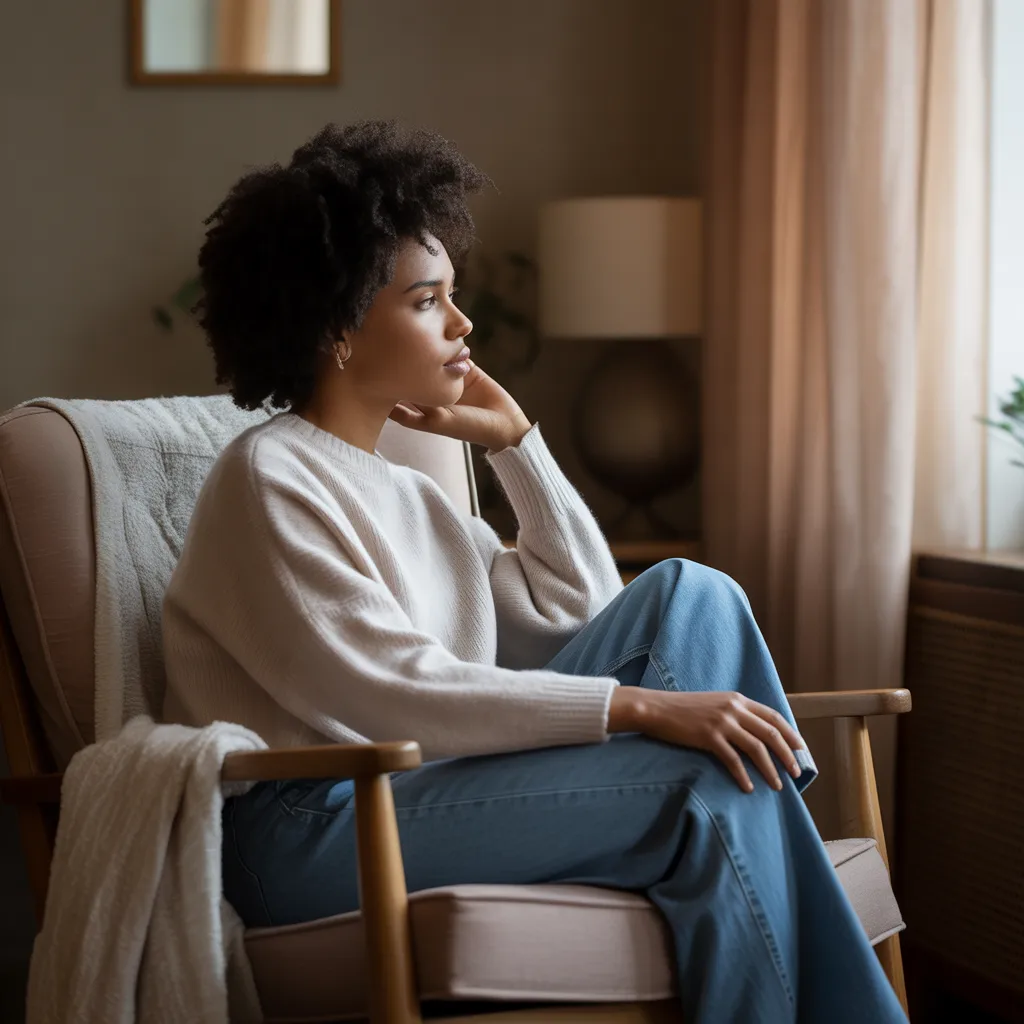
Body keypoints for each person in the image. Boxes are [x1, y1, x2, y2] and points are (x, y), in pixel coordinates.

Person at [161, 121, 906, 1023]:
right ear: (339, 329)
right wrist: (643, 709)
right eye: (428, 300)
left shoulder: (415, 496)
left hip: (407, 794)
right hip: (313, 828)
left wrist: (520, 449)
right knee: (709, 781)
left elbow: (576, 611)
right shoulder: (268, 478)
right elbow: (400, 692)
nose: (463, 324)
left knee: (690, 591)